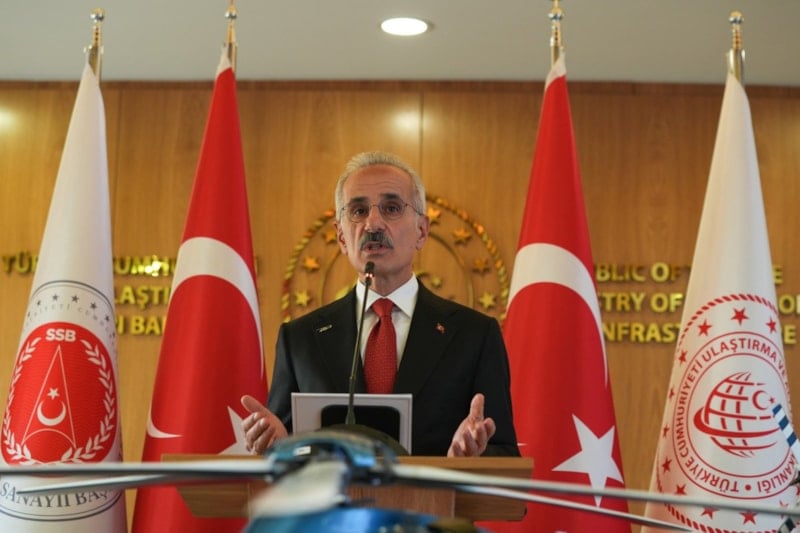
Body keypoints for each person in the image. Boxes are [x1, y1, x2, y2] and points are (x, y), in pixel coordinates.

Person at [241, 151, 518, 457]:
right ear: (341, 237)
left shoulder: (474, 335)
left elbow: (504, 453)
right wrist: (277, 446)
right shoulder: (300, 338)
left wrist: (465, 459)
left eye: (392, 208)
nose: (373, 223)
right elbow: (284, 451)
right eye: (358, 211)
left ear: (422, 231)